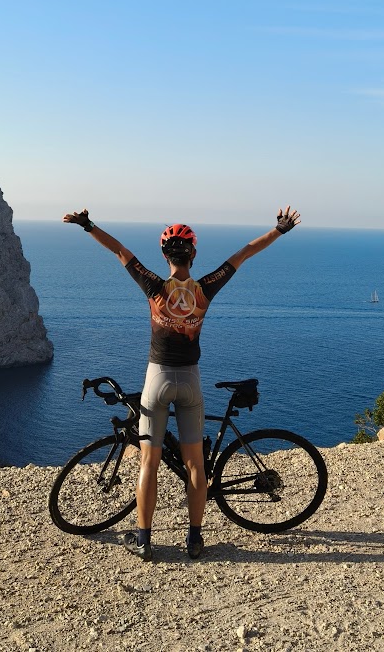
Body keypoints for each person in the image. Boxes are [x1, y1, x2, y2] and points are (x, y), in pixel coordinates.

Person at [62, 205, 301, 562]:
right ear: (194, 255)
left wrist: (88, 225)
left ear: (165, 256)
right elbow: (245, 252)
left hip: (157, 379)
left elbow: (119, 250)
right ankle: (194, 540)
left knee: (149, 463)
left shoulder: (154, 286)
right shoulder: (205, 289)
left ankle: (144, 541)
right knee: (195, 465)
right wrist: (279, 229)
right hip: (190, 380)